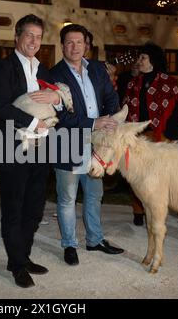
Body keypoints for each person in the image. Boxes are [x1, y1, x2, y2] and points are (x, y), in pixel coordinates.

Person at [0, 14, 61, 288]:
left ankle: (22, 256)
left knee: (34, 209)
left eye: (38, 37)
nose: (33, 41)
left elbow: (57, 101)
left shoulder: (44, 70)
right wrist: (32, 121)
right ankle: (17, 265)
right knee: (14, 209)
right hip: (11, 148)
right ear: (16, 37)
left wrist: (57, 98)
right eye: (29, 35)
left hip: (40, 149)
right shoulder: (3, 68)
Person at [50, 24, 124, 266]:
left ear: (86, 44)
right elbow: (59, 117)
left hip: (97, 144)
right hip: (68, 142)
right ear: (62, 45)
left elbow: (111, 97)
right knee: (68, 197)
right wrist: (94, 122)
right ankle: (69, 244)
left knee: (94, 195)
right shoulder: (54, 75)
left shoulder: (98, 69)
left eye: (79, 42)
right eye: (69, 42)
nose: (74, 47)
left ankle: (94, 240)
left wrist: (113, 118)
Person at [122, 42, 178, 226]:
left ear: (153, 60)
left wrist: (169, 137)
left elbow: (173, 112)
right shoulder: (134, 82)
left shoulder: (168, 82)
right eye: (139, 57)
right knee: (136, 175)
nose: (139, 61)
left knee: (157, 177)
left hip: (159, 135)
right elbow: (125, 105)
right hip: (137, 135)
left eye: (143, 58)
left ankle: (155, 210)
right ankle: (138, 210)